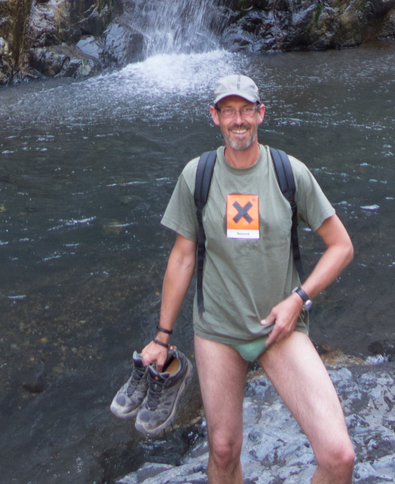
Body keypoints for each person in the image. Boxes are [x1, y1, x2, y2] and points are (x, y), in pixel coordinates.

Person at [110, 72, 355, 484]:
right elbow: (183, 258)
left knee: (338, 456)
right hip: (217, 331)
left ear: (261, 114)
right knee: (223, 450)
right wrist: (161, 338)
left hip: (279, 329)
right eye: (228, 111)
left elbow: (341, 246)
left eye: (245, 110)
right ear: (214, 116)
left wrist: (299, 298)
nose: (237, 120)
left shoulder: (289, 172)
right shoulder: (197, 175)